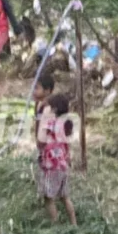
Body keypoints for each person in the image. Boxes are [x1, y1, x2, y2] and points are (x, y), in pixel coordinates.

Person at [37, 93, 77, 225]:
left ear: (53, 109)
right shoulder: (64, 124)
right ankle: (73, 223)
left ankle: (55, 224)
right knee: (65, 197)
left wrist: (43, 117)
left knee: (49, 198)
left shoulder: (50, 122)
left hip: (51, 166)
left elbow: (40, 140)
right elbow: (67, 145)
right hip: (63, 165)